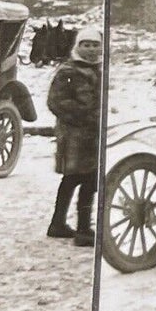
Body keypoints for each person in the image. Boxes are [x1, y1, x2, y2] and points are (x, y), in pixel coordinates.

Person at [47, 24, 103, 245]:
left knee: (77, 179)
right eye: (86, 45)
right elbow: (56, 102)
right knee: (83, 180)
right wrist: (84, 116)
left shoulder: (98, 70)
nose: (90, 49)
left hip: (91, 135)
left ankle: (58, 224)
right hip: (74, 136)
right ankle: (82, 230)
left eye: (95, 45)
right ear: (78, 47)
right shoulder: (68, 72)